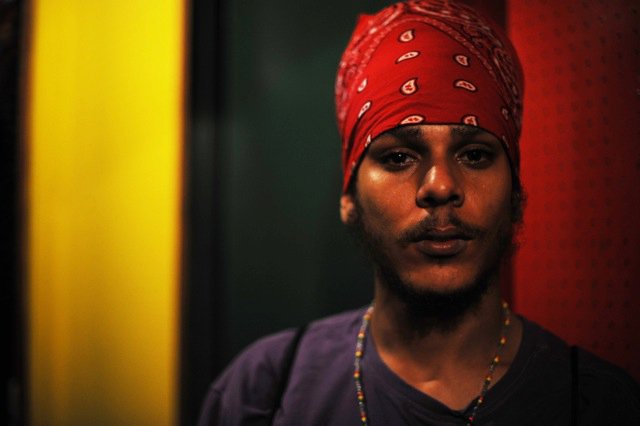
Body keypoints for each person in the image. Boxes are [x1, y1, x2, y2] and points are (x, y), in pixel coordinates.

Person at [198, 1, 640, 424]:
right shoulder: (263, 395)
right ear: (349, 195)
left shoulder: (598, 405)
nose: (441, 186)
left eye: (475, 155)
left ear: (514, 191)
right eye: (398, 158)